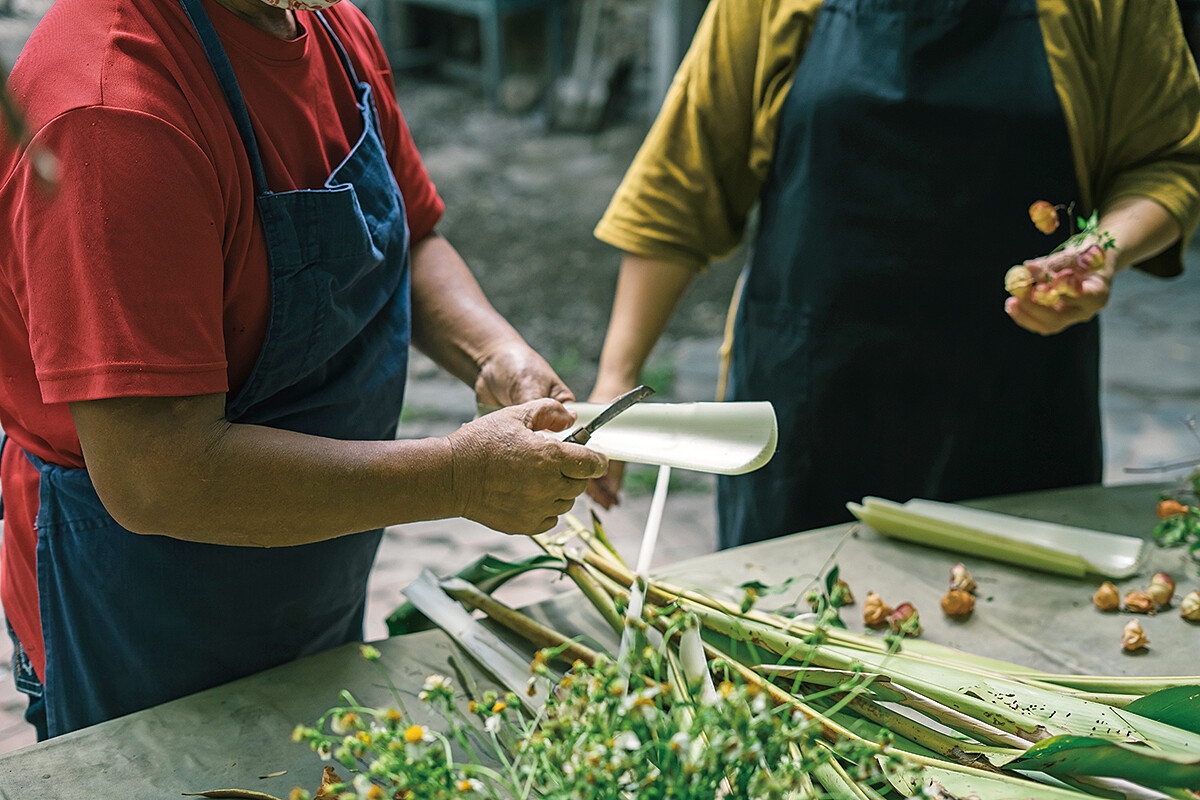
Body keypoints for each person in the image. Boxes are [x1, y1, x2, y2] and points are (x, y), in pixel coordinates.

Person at [0, 0, 607, 739]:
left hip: (311, 567)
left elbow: (407, 236)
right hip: (142, 604)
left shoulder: (328, 28)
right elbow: (155, 473)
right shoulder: (111, 112)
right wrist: (458, 477)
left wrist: (495, 352)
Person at [586, 0, 1200, 550]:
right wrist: (617, 374)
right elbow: (682, 183)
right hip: (807, 407)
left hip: (1016, 410)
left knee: (1008, 663)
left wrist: (1101, 248)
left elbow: (1172, 157)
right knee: (788, 658)